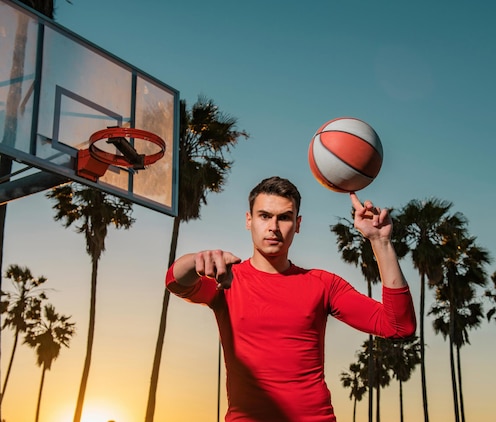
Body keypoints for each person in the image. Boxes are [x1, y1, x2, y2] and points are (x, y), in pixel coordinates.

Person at [166, 176, 416, 422]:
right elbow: (175, 282)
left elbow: (398, 326)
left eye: (284, 217)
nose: (273, 227)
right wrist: (195, 260)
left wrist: (380, 242)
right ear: (249, 220)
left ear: (297, 224)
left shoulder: (324, 284)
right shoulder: (227, 279)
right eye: (264, 216)